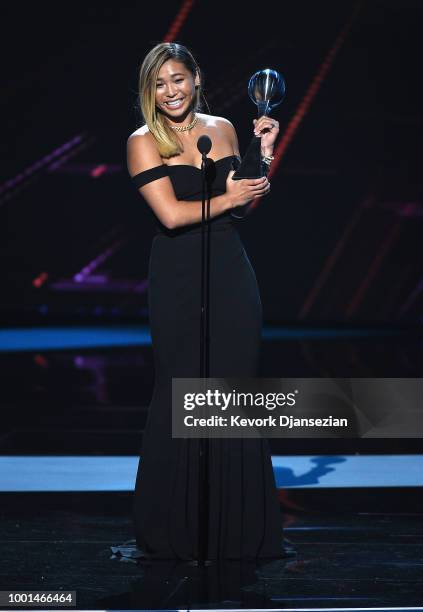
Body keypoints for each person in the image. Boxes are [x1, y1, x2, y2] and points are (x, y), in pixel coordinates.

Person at [126, 42, 286, 561]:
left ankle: (237, 530)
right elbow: (171, 216)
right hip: (177, 274)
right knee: (181, 392)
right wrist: (229, 199)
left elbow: (243, 211)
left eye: (178, 79)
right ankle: (174, 529)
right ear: (150, 91)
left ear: (196, 78)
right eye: (159, 83)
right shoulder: (143, 141)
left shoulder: (224, 128)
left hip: (230, 270)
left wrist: (263, 156)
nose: (170, 91)